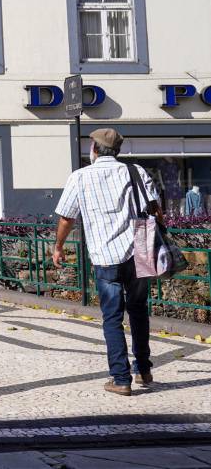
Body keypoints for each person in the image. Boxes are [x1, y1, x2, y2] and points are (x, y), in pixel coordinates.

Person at [51, 128, 160, 397]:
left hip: (105, 254)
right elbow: (155, 209)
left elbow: (67, 218)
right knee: (138, 311)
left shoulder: (80, 177)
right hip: (140, 251)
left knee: (112, 318)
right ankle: (144, 369)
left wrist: (58, 246)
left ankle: (121, 378)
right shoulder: (136, 172)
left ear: (95, 150)